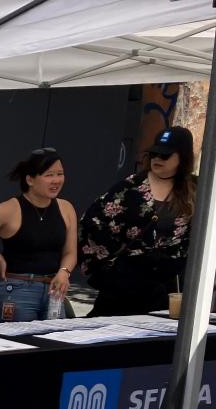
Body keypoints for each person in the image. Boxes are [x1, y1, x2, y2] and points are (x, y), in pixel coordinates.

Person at [80, 126, 196, 316]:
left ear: (182, 157)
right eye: (154, 154)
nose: (157, 159)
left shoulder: (196, 190)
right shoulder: (129, 187)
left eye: (165, 156)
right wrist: (110, 270)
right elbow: (93, 223)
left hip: (170, 286)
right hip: (127, 283)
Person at [0, 148, 77, 322]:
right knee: (17, 344)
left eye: (60, 174)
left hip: (53, 289)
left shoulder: (66, 208)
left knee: (55, 342)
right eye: (48, 175)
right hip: (17, 287)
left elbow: (70, 252)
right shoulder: (10, 209)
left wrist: (64, 272)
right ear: (30, 179)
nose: (56, 180)